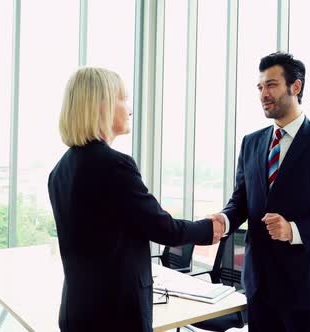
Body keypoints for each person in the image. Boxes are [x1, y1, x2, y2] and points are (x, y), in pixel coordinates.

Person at [48, 67, 225, 332]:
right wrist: (211, 228)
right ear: (101, 105)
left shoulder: (60, 170)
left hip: (77, 311)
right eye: (123, 99)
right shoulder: (114, 165)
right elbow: (163, 228)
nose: (129, 109)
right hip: (115, 315)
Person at [210, 52, 310, 332]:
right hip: (260, 290)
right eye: (259, 87)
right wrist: (225, 219)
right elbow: (241, 201)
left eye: (271, 85)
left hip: (307, 294)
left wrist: (293, 230)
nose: (263, 94)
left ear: (296, 87)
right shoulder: (252, 142)